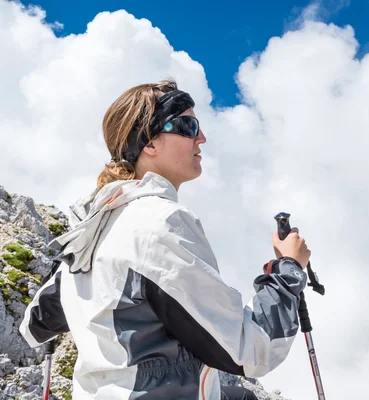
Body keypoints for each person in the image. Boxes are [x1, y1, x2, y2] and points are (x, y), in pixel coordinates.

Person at [19, 80, 311, 400]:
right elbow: (252, 348)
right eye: (188, 125)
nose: (201, 137)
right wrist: (289, 270)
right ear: (150, 143)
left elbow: (35, 325)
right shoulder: (158, 225)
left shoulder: (91, 234)